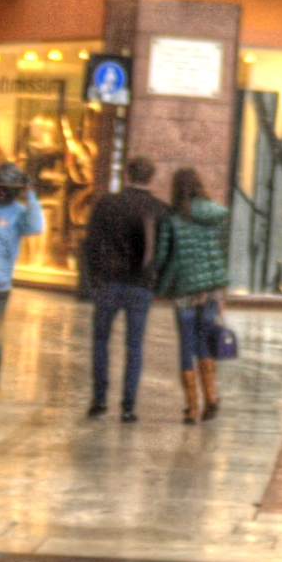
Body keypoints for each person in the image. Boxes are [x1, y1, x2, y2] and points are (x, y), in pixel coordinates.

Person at [80, 154, 165, 422]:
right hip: (140, 285)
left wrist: (93, 276)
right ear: (151, 178)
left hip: (109, 280)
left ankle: (99, 399)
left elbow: (92, 242)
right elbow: (163, 251)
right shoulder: (160, 209)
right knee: (134, 346)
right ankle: (128, 406)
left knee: (101, 340)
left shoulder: (107, 204)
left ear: (127, 175)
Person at [155, 163, 234, 425]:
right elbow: (222, 253)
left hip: (185, 291)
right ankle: (211, 397)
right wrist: (222, 291)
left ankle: (192, 407)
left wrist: (158, 284)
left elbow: (162, 256)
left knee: (186, 344)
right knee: (203, 340)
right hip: (211, 289)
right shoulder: (219, 214)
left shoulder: (173, 219)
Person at [0, 162, 45, 400]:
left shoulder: (19, 212)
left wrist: (31, 194)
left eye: (7, 189)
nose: (2, 193)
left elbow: (37, 226)